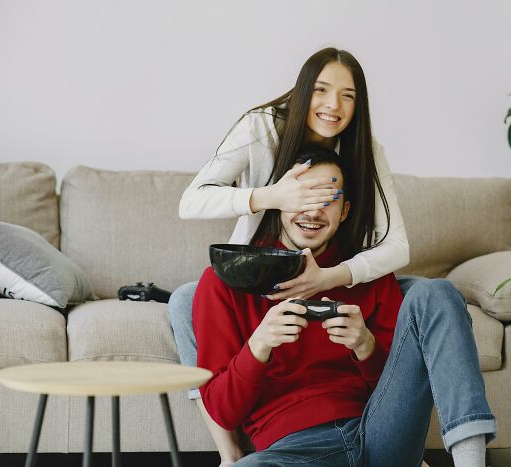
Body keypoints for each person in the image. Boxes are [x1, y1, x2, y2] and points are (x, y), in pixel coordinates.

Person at [170, 46, 410, 464]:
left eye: (348, 95)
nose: (333, 105)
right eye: (321, 89)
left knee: (431, 297)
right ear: (304, 91)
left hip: (362, 415)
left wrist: (337, 291)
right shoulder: (261, 129)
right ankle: (228, 454)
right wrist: (272, 195)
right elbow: (191, 201)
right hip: (260, 272)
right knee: (186, 299)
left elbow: (398, 248)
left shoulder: (363, 147)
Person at [194, 148, 496, 467]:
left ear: (345, 210)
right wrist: (259, 344)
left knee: (436, 291)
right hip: (289, 453)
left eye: (328, 199)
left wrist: (365, 345)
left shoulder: (368, 273)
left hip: (377, 436)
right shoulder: (223, 282)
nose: (313, 212)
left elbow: (406, 390)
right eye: (304, 197)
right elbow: (224, 412)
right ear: (279, 200)